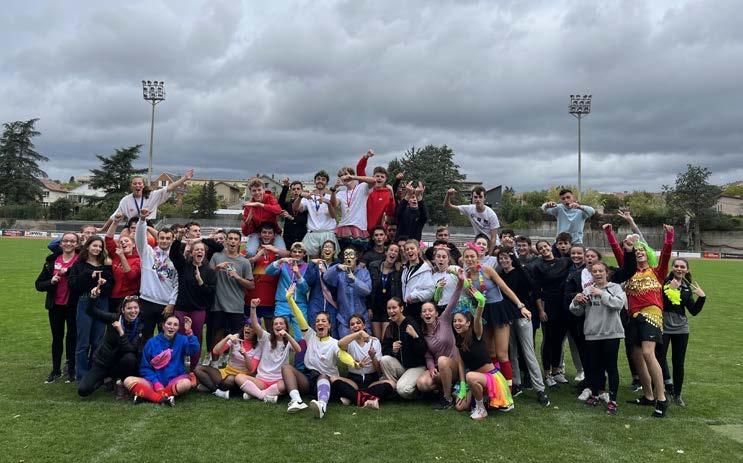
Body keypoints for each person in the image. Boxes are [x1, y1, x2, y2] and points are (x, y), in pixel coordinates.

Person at [605, 223, 675, 418]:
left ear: (648, 253)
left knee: (647, 353)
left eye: (642, 250)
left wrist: (669, 237)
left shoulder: (657, 271)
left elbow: (666, 254)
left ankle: (662, 398)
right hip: (632, 316)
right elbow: (619, 252)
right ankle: (648, 396)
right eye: (636, 251)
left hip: (651, 314)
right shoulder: (629, 271)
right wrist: (609, 233)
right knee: (636, 356)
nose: (638, 252)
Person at [281, 284, 359, 418]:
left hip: (327, 381)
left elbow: (342, 355)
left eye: (323, 321)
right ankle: (297, 400)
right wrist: (289, 299)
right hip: (309, 380)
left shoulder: (334, 343)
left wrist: (354, 363)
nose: (320, 323)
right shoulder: (309, 335)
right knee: (286, 367)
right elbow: (299, 317)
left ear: (329, 325)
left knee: (323, 376)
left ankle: (322, 405)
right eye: (317, 321)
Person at [461, 246, 530, 390]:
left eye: (472, 256)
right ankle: (496, 386)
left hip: (498, 310)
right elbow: (470, 299)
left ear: (477, 257)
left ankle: (508, 390)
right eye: (467, 257)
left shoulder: (487, 270)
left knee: (502, 354)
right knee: (490, 352)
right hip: (483, 313)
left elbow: (505, 288)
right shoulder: (466, 277)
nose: (470, 259)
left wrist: (520, 305)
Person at [569, 261, 627, 415]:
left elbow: (618, 304)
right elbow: (576, 311)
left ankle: (612, 400)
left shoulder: (615, 288)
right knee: (594, 366)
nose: (598, 273)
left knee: (611, 366)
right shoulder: (587, 289)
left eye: (601, 271)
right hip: (592, 334)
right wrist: (575, 301)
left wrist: (602, 294)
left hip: (611, 333)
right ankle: (595, 394)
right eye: (594, 271)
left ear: (607, 273)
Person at [496, 250, 551, 407]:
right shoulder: (500, 275)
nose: (504, 260)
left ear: (511, 258)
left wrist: (518, 264)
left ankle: (540, 388)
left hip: (522, 314)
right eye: (501, 258)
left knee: (528, 352)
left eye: (506, 257)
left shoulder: (520, 271)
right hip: (508, 316)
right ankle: (516, 383)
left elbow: (532, 286)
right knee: (511, 352)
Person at [452, 287, 514, 420]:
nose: (457, 323)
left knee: (470, 376)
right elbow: (461, 364)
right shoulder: (458, 339)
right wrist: (462, 385)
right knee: (460, 406)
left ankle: (481, 409)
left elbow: (478, 318)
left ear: (468, 323)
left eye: (460, 321)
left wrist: (481, 303)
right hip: (475, 379)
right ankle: (484, 400)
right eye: (455, 321)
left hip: (491, 378)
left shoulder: (476, 334)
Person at [657, 258, 706, 406]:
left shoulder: (686, 287)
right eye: (676, 266)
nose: (679, 268)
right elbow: (663, 302)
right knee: (658, 359)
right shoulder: (664, 283)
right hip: (664, 326)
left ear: (687, 270)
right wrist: (670, 290)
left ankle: (677, 394)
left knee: (678, 362)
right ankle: (660, 390)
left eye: (682, 267)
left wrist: (702, 298)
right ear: (672, 268)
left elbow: (693, 311)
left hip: (681, 328)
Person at [124, 315, 200, 406]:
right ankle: (161, 398)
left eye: (175, 325)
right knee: (128, 380)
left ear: (178, 328)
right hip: (153, 382)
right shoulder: (152, 342)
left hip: (175, 381)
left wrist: (189, 333)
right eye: (169, 324)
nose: (172, 327)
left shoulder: (182, 340)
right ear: (163, 326)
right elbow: (145, 368)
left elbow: (193, 351)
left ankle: (149, 396)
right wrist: (156, 382)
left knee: (186, 384)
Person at [78, 296, 144, 399]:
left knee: (130, 357)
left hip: (122, 364)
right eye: (129, 308)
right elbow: (91, 311)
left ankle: (121, 383)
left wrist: (121, 332)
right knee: (83, 390)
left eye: (136, 308)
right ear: (123, 310)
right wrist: (93, 298)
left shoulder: (140, 325)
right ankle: (106, 380)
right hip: (104, 363)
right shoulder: (113, 318)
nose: (133, 311)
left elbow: (130, 349)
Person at [237, 297, 301, 402]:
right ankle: (264, 395)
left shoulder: (289, 341)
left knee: (285, 386)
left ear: (286, 327)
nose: (278, 325)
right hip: (261, 380)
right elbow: (255, 324)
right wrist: (253, 308)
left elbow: (298, 350)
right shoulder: (266, 337)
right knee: (239, 377)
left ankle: (255, 393)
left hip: (278, 381)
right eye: (276, 324)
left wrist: (287, 336)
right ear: (272, 327)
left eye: (281, 323)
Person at [36, 232, 80, 383]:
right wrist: (51, 282)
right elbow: (38, 284)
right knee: (57, 338)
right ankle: (55, 371)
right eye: (65, 241)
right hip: (55, 306)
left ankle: (71, 370)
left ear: (77, 244)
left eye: (72, 241)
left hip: (73, 306)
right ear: (60, 244)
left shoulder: (80, 260)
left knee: (72, 338)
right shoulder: (52, 261)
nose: (68, 244)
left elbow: (83, 279)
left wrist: (69, 273)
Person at [68, 236, 114, 381]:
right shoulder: (79, 264)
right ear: (87, 246)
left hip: (102, 302)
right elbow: (73, 284)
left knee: (97, 341)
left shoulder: (105, 264)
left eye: (100, 246)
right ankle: (82, 375)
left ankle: (94, 374)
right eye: (95, 245)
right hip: (85, 301)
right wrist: (89, 275)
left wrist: (103, 284)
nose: (97, 249)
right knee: (83, 342)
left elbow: (110, 285)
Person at [419, 267, 465, 410]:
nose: (427, 313)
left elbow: (454, 299)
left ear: (436, 313)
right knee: (422, 384)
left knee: (442, 360)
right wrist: (431, 368)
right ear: (421, 315)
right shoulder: (423, 333)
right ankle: (445, 389)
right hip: (439, 367)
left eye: (430, 310)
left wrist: (461, 281)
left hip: (454, 365)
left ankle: (447, 398)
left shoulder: (444, 319)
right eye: (424, 311)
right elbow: (428, 355)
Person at [529, 239, 573, 387]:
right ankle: (547, 373)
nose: (544, 249)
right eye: (540, 248)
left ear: (550, 246)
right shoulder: (538, 266)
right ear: (538, 251)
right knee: (548, 339)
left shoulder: (564, 262)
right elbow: (536, 290)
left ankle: (556, 371)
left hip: (564, 305)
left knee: (559, 340)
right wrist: (541, 310)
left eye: (545, 246)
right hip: (548, 305)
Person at [170, 238, 217, 370]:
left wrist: (200, 282)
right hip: (181, 309)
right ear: (191, 253)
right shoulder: (183, 266)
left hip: (198, 310)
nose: (199, 251)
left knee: (195, 338)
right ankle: (177, 367)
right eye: (196, 250)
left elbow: (211, 292)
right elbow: (173, 254)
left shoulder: (209, 272)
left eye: (201, 250)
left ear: (205, 253)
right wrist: (178, 239)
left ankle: (194, 370)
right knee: (179, 338)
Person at [333, 314, 395, 409]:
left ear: (364, 325)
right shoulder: (349, 342)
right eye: (352, 324)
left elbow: (378, 370)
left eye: (358, 323)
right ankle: (368, 399)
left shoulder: (374, 341)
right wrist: (359, 333)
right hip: (353, 380)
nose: (355, 325)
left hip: (371, 380)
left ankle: (353, 397)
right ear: (350, 328)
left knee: (391, 383)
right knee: (333, 378)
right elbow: (340, 344)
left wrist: (373, 357)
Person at [135, 209, 178, 342]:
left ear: (173, 240)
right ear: (157, 238)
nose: (164, 241)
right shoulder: (147, 253)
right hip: (146, 301)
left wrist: (171, 303)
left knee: (166, 338)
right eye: (162, 238)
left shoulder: (177, 258)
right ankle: (143, 356)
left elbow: (178, 284)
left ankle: (164, 357)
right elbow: (140, 238)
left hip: (165, 304)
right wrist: (142, 220)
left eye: (168, 238)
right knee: (143, 337)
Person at [194, 320, 260, 400]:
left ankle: (210, 386)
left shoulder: (259, 346)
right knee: (198, 369)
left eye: (251, 327)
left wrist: (245, 355)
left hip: (241, 377)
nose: (247, 328)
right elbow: (216, 351)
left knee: (229, 380)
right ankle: (216, 390)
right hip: (226, 372)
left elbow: (251, 370)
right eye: (246, 326)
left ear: (256, 331)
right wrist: (227, 337)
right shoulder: (236, 337)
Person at [210, 230, 254, 348]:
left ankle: (232, 358)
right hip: (218, 305)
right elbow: (207, 278)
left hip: (236, 306)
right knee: (217, 336)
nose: (233, 241)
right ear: (226, 241)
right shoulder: (217, 256)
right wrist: (217, 268)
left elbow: (251, 285)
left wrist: (237, 277)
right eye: (230, 238)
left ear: (240, 242)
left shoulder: (244, 262)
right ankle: (215, 359)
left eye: (235, 239)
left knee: (236, 338)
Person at [378, 297, 428, 399]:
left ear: (401, 308)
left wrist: (415, 336)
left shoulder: (411, 323)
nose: (391, 311)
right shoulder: (390, 327)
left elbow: (423, 350)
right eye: (389, 308)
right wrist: (393, 350)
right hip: (402, 367)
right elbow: (384, 348)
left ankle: (418, 392)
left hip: (416, 367)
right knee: (384, 359)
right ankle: (393, 388)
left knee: (403, 390)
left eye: (394, 307)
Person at [266, 242, 317, 340]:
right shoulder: (284, 265)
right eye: (294, 251)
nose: (297, 254)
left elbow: (305, 290)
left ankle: (299, 350)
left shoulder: (308, 267)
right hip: (283, 303)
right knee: (279, 335)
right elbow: (268, 271)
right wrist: (280, 260)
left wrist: (298, 274)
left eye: (300, 252)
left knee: (301, 337)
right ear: (291, 253)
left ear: (304, 254)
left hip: (299, 304)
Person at [106, 170, 193, 226]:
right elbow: (113, 217)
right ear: (131, 186)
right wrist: (102, 229)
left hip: (147, 225)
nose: (137, 185)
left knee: (153, 239)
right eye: (135, 183)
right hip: (132, 226)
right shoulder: (126, 200)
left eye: (139, 183)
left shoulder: (152, 195)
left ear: (143, 185)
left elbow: (170, 187)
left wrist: (185, 178)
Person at [245, 224, 287, 331]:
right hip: (252, 297)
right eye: (264, 232)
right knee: (251, 330)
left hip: (271, 298)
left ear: (274, 235)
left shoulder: (277, 252)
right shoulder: (251, 251)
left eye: (270, 233)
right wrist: (256, 257)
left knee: (271, 330)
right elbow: (243, 263)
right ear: (259, 234)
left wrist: (275, 249)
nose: (267, 235)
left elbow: (290, 255)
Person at [322, 247, 372, 336]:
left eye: (351, 254)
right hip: (344, 319)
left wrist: (354, 280)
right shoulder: (339, 273)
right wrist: (337, 267)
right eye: (346, 254)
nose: (348, 257)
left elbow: (367, 290)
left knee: (363, 342)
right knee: (346, 343)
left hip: (361, 318)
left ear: (356, 257)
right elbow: (326, 277)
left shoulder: (364, 272)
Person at [444, 185, 500, 252]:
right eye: (475, 197)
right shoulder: (469, 209)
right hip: (479, 242)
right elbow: (447, 206)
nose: (478, 199)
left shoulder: (491, 214)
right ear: (472, 197)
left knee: (496, 253)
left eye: (480, 197)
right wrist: (448, 195)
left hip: (492, 245)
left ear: (484, 198)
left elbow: (493, 238)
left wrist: (489, 254)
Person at [332, 165, 376, 250]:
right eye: (341, 176)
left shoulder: (362, 187)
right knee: (344, 254)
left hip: (358, 227)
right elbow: (334, 204)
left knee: (358, 254)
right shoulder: (340, 193)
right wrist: (334, 189)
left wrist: (353, 177)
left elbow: (373, 181)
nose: (344, 177)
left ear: (351, 174)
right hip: (343, 227)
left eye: (345, 174)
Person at [296, 170, 339, 257]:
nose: (320, 181)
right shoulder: (308, 196)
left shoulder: (331, 197)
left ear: (326, 182)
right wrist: (300, 196)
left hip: (327, 233)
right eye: (318, 179)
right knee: (313, 262)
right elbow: (296, 208)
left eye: (323, 179)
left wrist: (328, 203)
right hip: (313, 233)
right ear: (314, 181)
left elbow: (333, 216)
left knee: (328, 260)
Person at [104, 214, 141, 311]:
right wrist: (115, 222)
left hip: (130, 298)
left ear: (133, 244)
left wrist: (122, 256)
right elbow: (108, 239)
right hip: (113, 297)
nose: (123, 243)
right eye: (121, 242)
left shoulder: (138, 259)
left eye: (126, 241)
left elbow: (131, 276)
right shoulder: (116, 255)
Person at [242, 177, 286, 256]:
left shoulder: (270, 198)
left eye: (259, 190)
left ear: (263, 190)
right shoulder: (249, 206)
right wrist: (248, 220)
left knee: (282, 252)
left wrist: (260, 205)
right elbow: (245, 233)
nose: (257, 192)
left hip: (273, 232)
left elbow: (278, 210)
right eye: (254, 190)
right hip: (257, 233)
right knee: (250, 252)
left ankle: (277, 264)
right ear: (251, 192)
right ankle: (253, 264)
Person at [355, 149, 397, 233]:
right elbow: (359, 169)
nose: (379, 178)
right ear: (373, 177)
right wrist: (366, 157)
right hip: (362, 229)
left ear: (385, 179)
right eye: (377, 176)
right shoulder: (366, 188)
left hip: (378, 232)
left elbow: (391, 212)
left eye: (382, 177)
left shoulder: (388, 193)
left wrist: (392, 196)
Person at [367, 244, 402, 340]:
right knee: (377, 340)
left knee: (385, 338)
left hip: (389, 309)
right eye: (391, 250)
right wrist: (369, 307)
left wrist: (398, 271)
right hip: (375, 308)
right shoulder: (373, 266)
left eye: (396, 251)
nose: (393, 253)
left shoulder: (399, 270)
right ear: (386, 252)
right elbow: (368, 288)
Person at [308, 240, 340, 332]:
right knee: (314, 329)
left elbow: (338, 285)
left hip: (332, 303)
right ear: (321, 251)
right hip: (316, 302)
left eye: (330, 247)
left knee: (332, 329)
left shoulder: (338, 266)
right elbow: (309, 282)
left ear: (334, 251)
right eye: (325, 247)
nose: (327, 249)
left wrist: (326, 274)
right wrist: (312, 265)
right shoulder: (315, 265)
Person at [400, 239, 434, 324]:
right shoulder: (405, 269)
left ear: (418, 250)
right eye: (407, 249)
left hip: (418, 307)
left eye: (412, 248)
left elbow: (430, 291)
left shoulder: (425, 269)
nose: (409, 251)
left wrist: (414, 296)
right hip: (406, 308)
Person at [279, 178, 308, 248]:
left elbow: (303, 220)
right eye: (293, 189)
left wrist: (291, 218)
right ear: (291, 191)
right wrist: (285, 187)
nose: (296, 191)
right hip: (288, 237)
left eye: (298, 189)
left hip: (302, 236)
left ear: (302, 190)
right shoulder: (288, 204)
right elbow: (280, 203)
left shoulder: (306, 204)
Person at [430, 247, 459, 314]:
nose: (441, 259)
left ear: (448, 259)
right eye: (438, 256)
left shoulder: (455, 268)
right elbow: (436, 299)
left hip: (456, 306)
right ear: (435, 259)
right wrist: (438, 289)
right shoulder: (433, 276)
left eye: (444, 257)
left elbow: (466, 284)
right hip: (441, 307)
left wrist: (457, 274)